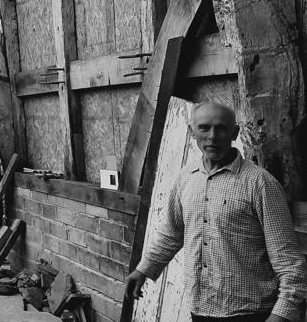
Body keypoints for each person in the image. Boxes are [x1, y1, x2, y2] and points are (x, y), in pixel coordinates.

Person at [125, 102, 307, 322]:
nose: (213, 136)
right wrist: (143, 270)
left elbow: (290, 263)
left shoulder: (260, 184)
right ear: (192, 132)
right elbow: (172, 233)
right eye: (204, 128)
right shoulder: (186, 178)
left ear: (235, 132)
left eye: (221, 128)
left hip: (252, 314)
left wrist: (280, 316)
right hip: (200, 310)